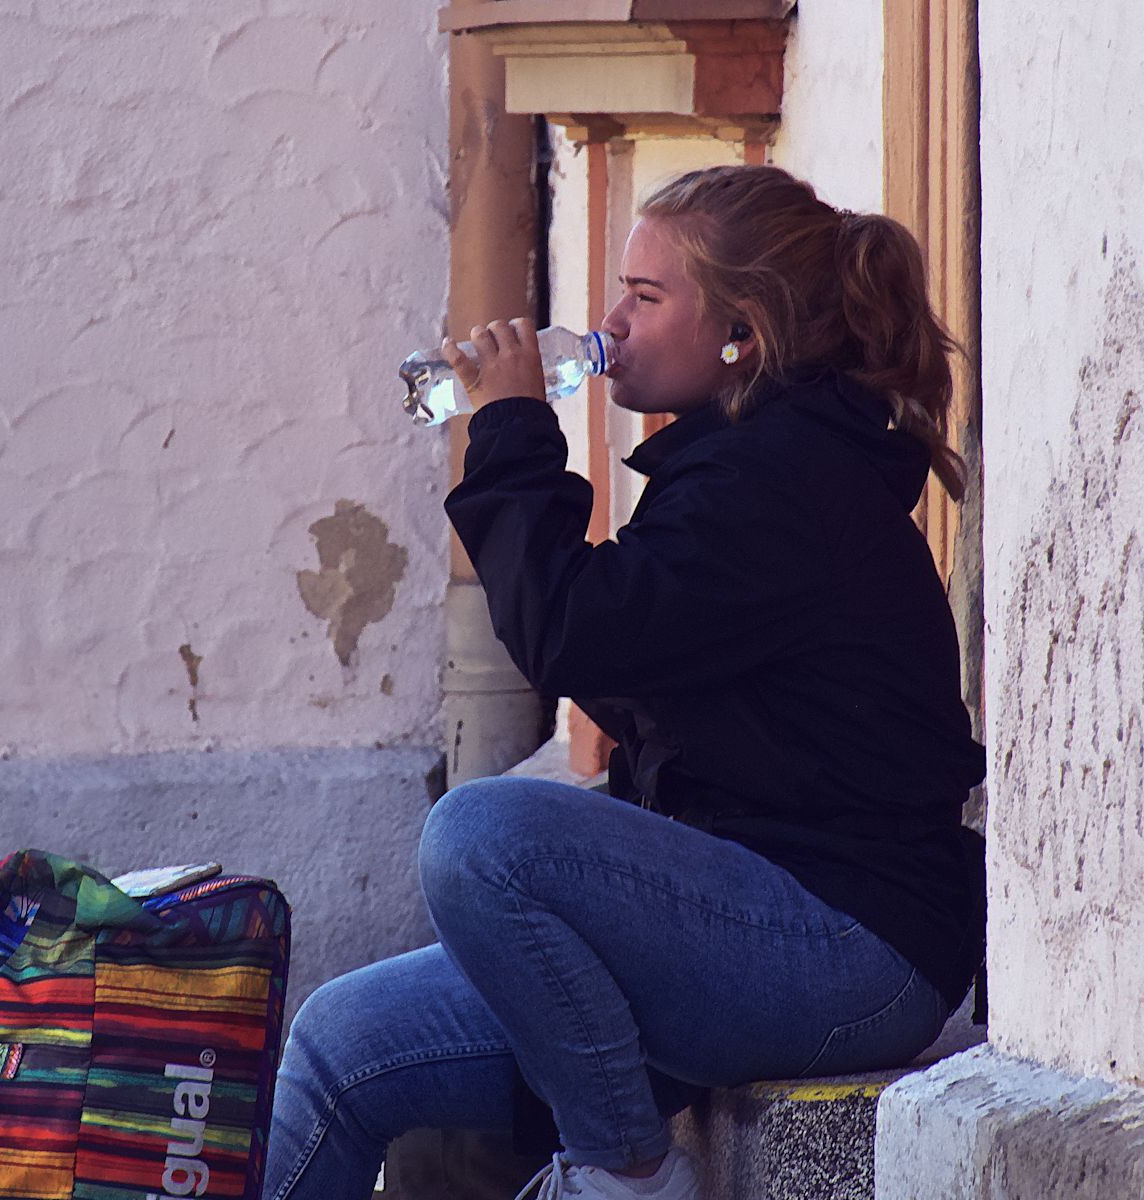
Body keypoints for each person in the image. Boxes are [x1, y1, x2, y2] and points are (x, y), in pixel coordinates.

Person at [261, 164, 987, 1200]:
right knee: (342, 1038)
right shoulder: (741, 467)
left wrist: (511, 427)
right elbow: (636, 676)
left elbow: (575, 636)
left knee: (481, 839)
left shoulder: (779, 485)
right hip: (744, 921)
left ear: (743, 328)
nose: (610, 322)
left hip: (851, 954)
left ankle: (624, 1170)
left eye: (647, 298)